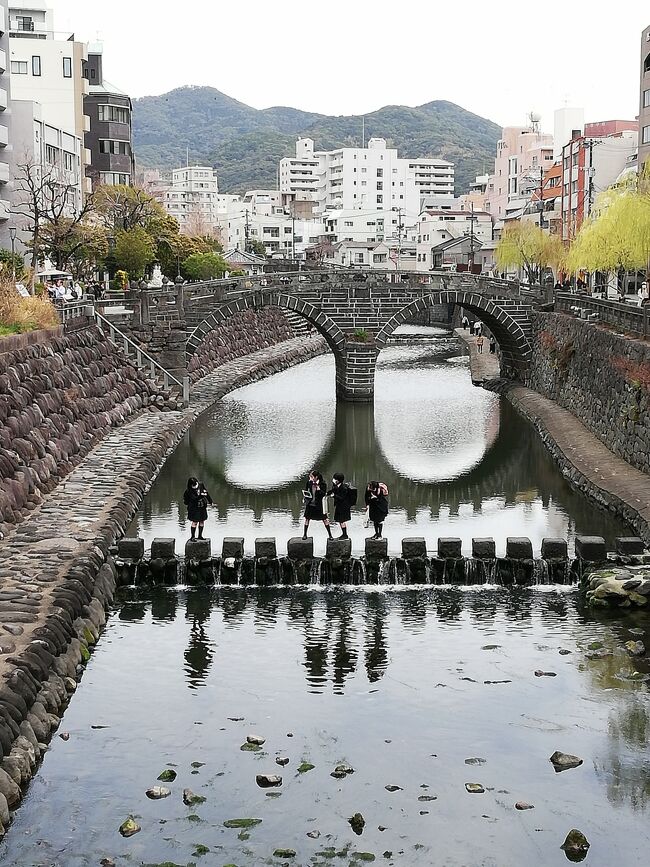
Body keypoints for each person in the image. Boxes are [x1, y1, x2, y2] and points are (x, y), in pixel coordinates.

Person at [302, 470, 332, 540]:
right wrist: (305, 498)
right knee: (307, 519)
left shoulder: (323, 484)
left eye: (311, 476)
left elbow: (324, 494)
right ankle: (305, 534)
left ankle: (330, 535)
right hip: (310, 504)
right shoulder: (309, 483)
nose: (310, 478)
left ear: (316, 477)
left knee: (325, 519)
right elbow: (307, 491)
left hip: (319, 505)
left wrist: (319, 489)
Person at [328, 472, 353, 540]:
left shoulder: (344, 488)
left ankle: (345, 535)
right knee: (340, 520)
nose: (333, 480)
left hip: (344, 507)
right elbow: (332, 491)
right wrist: (327, 493)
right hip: (339, 506)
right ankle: (344, 534)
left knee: (342, 520)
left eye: (335, 479)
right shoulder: (336, 486)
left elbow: (342, 498)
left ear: (338, 480)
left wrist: (334, 496)